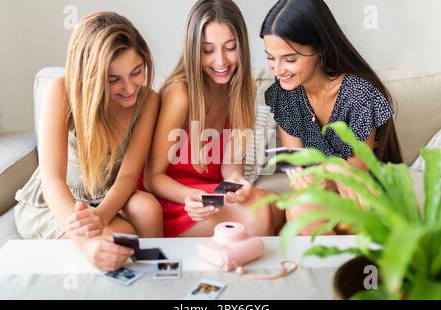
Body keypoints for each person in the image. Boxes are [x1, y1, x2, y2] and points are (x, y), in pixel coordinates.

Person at [14, 12, 162, 271]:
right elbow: (53, 180)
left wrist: (100, 215)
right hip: (58, 202)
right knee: (115, 241)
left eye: (136, 72)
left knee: (147, 208)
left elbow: (128, 174)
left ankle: (161, 281)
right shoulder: (61, 91)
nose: (129, 88)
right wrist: (85, 240)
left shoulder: (148, 100)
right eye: (113, 80)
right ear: (89, 77)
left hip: (107, 198)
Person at [139, 0, 284, 237]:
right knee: (259, 214)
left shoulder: (242, 89)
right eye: (208, 50)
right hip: (177, 198)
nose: (220, 61)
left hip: (211, 192)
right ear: (194, 50)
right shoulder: (180, 93)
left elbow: (230, 163)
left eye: (230, 47)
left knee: (279, 206)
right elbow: (152, 178)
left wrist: (236, 181)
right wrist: (190, 198)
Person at [260, 0, 403, 235]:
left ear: (321, 49)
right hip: (322, 196)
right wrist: (310, 176)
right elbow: (298, 164)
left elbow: (356, 174)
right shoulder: (285, 95)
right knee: (299, 209)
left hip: (364, 196)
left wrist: (330, 170)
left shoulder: (358, 94)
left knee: (303, 211)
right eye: (270, 58)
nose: (277, 70)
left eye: (289, 59)